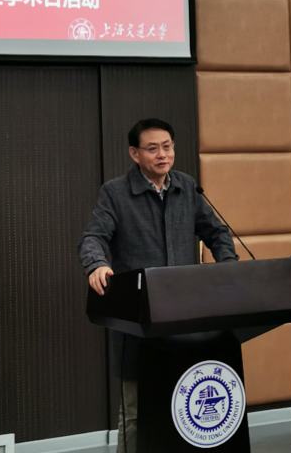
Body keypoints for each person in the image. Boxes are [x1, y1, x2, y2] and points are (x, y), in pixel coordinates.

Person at [77, 118, 239, 453]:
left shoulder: (187, 187)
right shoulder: (115, 193)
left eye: (167, 146)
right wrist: (97, 264)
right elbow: (93, 236)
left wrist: (228, 266)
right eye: (152, 148)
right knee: (135, 411)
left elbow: (217, 232)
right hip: (138, 319)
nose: (162, 154)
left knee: (184, 403)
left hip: (185, 318)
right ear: (134, 153)